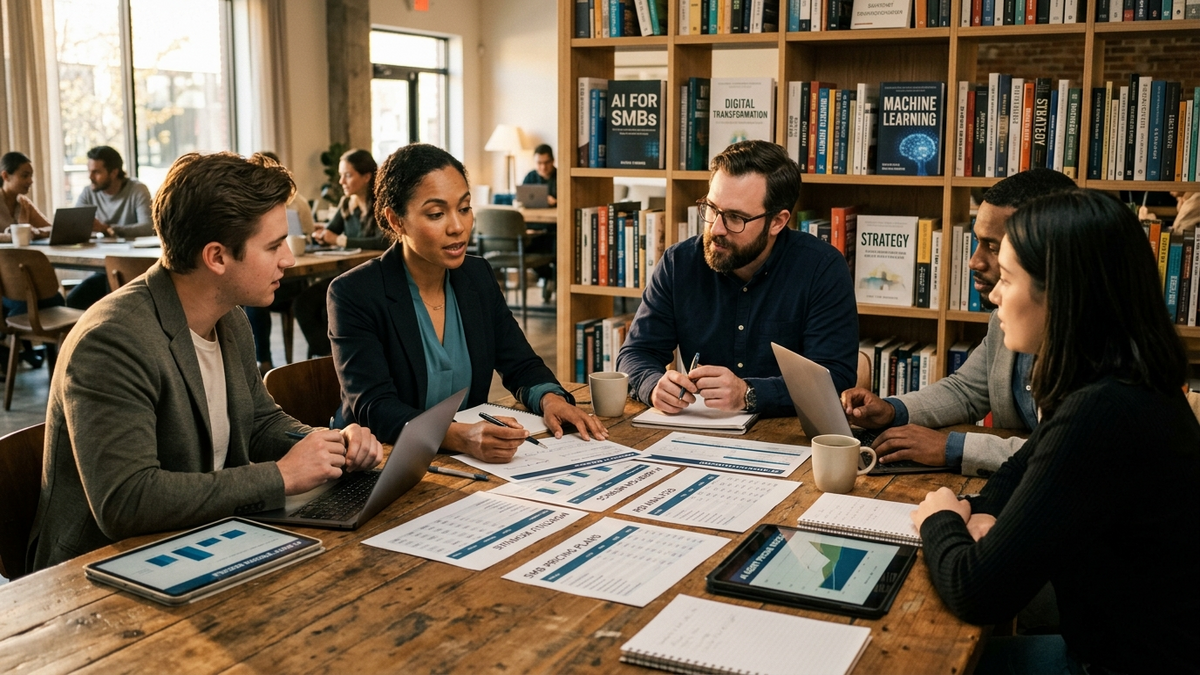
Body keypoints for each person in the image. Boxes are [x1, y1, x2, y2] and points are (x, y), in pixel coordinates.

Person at [28, 152, 383, 572]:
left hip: (199, 541)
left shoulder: (228, 316)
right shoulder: (111, 341)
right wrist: (281, 476)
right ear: (216, 257)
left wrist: (331, 446)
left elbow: (258, 422)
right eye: (273, 245)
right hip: (100, 575)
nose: (288, 259)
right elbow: (126, 501)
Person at [911, 189, 1200, 674]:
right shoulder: (1121, 379)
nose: (996, 295)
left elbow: (976, 592)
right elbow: (1021, 468)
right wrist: (982, 513)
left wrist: (940, 517)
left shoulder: (1104, 413)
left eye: (1007, 278)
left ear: (1061, 293)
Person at [328, 143, 606, 463]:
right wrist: (459, 435)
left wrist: (550, 398)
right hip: (378, 462)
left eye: (464, 208)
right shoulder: (354, 293)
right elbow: (375, 407)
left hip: (464, 459)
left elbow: (520, 362)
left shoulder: (476, 276)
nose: (458, 227)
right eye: (436, 214)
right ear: (396, 220)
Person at [840, 168, 1076, 476]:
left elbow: (1062, 455)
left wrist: (952, 447)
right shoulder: (1005, 319)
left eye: (993, 247)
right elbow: (966, 391)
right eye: (977, 242)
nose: (973, 261)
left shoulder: (1096, 352)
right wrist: (892, 411)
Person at [616, 140, 858, 417]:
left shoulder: (822, 269)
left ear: (777, 222)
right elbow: (635, 354)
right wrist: (652, 386)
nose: (716, 228)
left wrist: (749, 393)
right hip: (694, 434)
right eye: (711, 208)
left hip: (788, 437)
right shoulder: (678, 263)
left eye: (735, 217)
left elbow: (834, 376)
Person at [297, 149, 388, 357]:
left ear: (366, 177)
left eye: (347, 175)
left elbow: (383, 241)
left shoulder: (382, 205)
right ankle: (329, 361)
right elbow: (331, 231)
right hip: (349, 274)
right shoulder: (347, 204)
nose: (341, 181)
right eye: (341, 175)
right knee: (304, 303)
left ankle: (334, 361)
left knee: (325, 306)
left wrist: (339, 240)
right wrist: (321, 234)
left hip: (375, 277)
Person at [243, 151, 315, 373]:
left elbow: (310, 234)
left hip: (294, 283)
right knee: (252, 299)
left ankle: (265, 363)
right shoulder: (248, 208)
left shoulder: (298, 203)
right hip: (264, 275)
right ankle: (263, 361)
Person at [67, 146, 156, 309]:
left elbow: (149, 227)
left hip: (136, 271)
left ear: (114, 172)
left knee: (110, 305)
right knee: (73, 300)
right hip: (103, 268)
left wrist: (107, 229)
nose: (90, 177)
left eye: (96, 172)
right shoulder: (89, 193)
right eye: (89, 171)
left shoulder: (137, 189)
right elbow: (74, 227)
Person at [0, 151, 52, 242]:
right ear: (5, 176)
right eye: (25, 176)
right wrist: (16, 237)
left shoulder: (24, 203)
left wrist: (37, 232)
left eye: (31, 176)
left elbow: (51, 228)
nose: (30, 181)